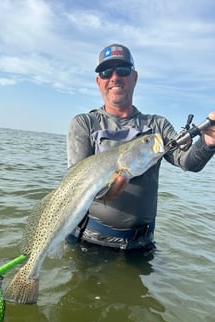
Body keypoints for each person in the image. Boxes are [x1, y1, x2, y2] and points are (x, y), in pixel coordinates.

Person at [66, 43, 215, 252]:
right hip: (90, 242)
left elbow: (187, 161)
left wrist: (208, 143)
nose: (115, 77)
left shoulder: (157, 126)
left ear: (134, 77)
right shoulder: (84, 123)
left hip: (141, 245)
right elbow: (75, 184)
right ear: (98, 81)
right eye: (106, 72)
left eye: (123, 71)